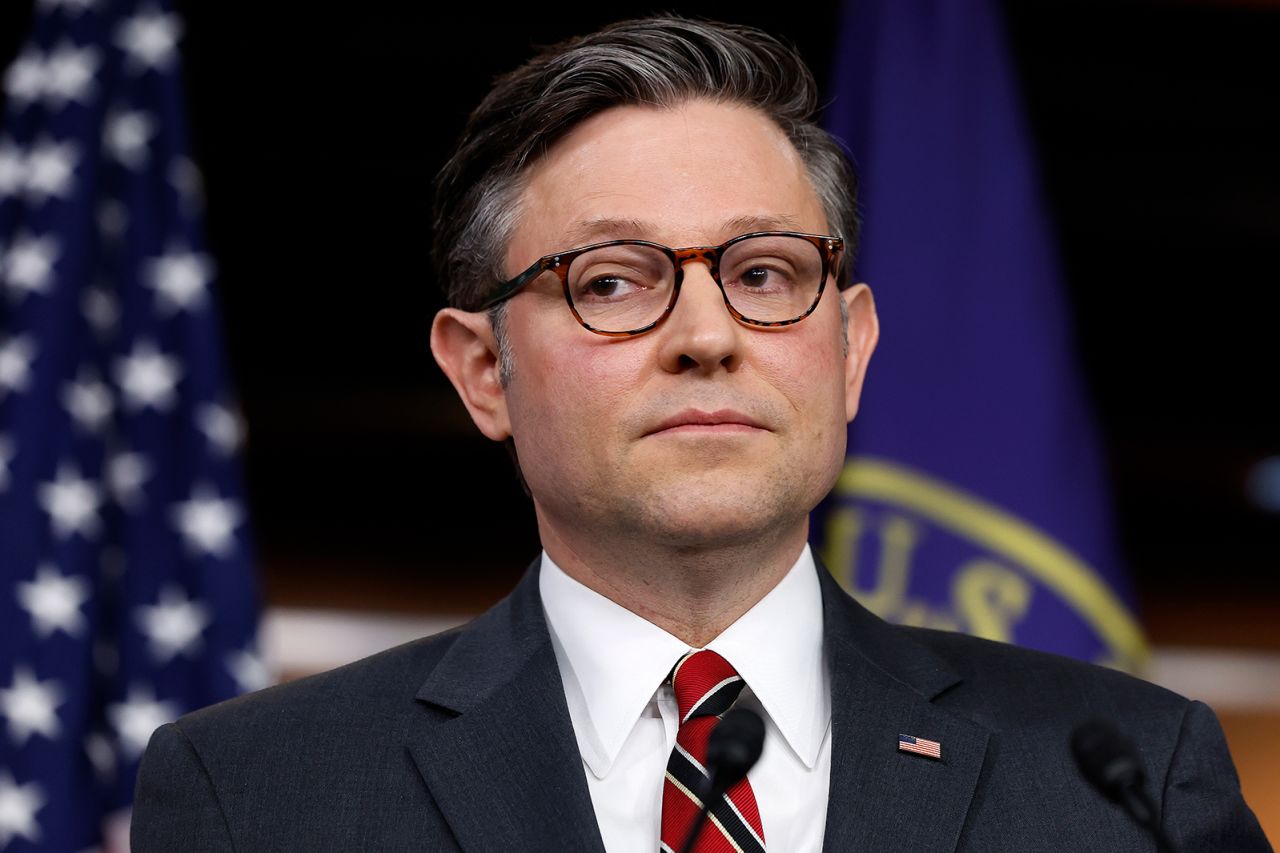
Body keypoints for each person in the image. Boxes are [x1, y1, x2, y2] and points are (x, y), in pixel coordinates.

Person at [132, 16, 1270, 851]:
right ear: (483, 369)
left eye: (764, 272)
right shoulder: (256, 791)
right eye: (614, 282)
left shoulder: (1128, 780)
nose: (706, 336)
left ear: (850, 350)